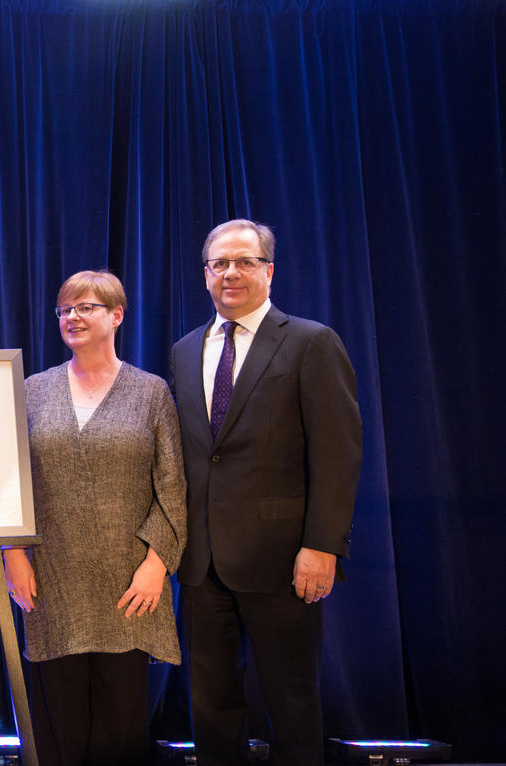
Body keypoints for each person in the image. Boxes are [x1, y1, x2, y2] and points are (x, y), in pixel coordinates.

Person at [169, 219, 362, 766]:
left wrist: (323, 545)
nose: (231, 272)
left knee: (293, 703)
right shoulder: (185, 351)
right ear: (206, 274)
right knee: (211, 708)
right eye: (219, 263)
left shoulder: (311, 342)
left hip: (284, 562)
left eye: (245, 261)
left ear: (269, 270)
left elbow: (337, 453)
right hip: (203, 564)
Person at [4, 270, 187, 766]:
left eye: (86, 307)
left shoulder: (151, 393)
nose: (73, 317)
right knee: (58, 729)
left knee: (120, 731)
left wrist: (157, 565)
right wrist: (12, 552)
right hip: (52, 582)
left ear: (117, 315)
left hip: (128, 588)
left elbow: (172, 487)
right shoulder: (31, 392)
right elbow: (7, 481)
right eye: (65, 309)